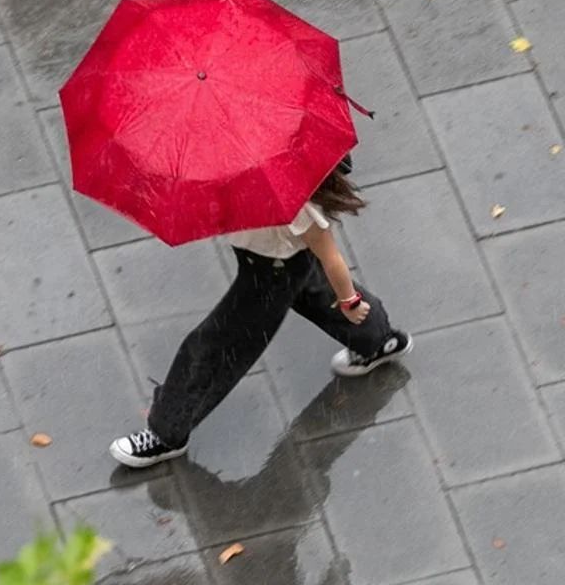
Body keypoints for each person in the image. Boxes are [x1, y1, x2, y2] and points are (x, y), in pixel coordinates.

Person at [109, 156, 412, 468]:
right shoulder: (244, 171)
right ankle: (378, 340)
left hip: (272, 273)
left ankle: (166, 432)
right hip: (276, 261)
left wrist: (349, 301)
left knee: (214, 347)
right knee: (312, 291)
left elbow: (330, 257)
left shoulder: (293, 201)